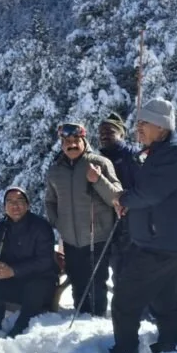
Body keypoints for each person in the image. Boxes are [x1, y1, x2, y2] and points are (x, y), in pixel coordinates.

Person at [109, 99, 177, 353]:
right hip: (160, 240)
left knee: (125, 300)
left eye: (143, 123)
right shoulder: (162, 150)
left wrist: (124, 199)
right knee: (163, 299)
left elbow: (150, 193)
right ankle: (169, 349)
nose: (138, 128)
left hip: (158, 244)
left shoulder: (175, 153)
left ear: (161, 126)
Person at [45, 122, 122, 316]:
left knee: (97, 284)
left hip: (97, 236)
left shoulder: (100, 163)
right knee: (76, 281)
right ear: (62, 143)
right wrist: (58, 223)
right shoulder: (55, 170)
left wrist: (98, 180)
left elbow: (117, 198)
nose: (71, 145)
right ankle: (80, 316)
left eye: (75, 140)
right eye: (67, 141)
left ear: (84, 140)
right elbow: (50, 201)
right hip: (70, 239)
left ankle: (96, 320)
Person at [0, 187, 58, 337]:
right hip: (14, 282)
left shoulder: (41, 226)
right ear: (4, 207)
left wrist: (13, 271)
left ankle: (20, 332)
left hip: (40, 282)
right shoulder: (1, 228)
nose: (15, 206)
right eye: (10, 202)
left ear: (27, 205)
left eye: (19, 201)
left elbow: (45, 261)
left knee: (34, 287)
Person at [98, 112, 141, 279]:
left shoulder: (133, 156)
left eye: (110, 132)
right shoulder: (98, 160)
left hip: (131, 224)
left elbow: (144, 188)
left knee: (129, 271)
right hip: (107, 224)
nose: (104, 136)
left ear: (121, 134)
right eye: (101, 132)